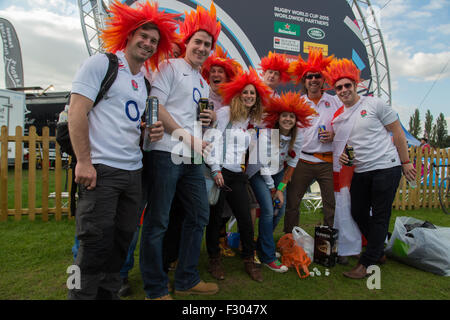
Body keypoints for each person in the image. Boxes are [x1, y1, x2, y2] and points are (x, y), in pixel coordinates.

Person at [67, 1, 177, 300]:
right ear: (128, 35)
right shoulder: (101, 64)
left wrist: (147, 131)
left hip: (133, 173)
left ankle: (108, 295)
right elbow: (77, 112)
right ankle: (78, 296)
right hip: (101, 170)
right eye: (143, 36)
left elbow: (126, 123)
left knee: (121, 242)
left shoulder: (142, 81)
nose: (148, 43)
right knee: (92, 245)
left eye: (154, 41)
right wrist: (84, 162)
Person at [139, 2, 220, 300]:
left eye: (207, 44)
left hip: (191, 158)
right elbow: (155, 106)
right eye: (197, 42)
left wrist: (207, 122)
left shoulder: (202, 81)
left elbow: (193, 117)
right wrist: (188, 136)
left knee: (200, 215)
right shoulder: (169, 67)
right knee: (158, 221)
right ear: (187, 42)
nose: (201, 47)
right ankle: (155, 288)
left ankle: (186, 278)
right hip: (165, 153)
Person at [323, 58, 416, 279]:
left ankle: (367, 262)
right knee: (358, 212)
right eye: (339, 87)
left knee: (381, 215)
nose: (344, 90)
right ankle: (378, 250)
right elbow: (345, 147)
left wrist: (406, 162)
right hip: (362, 171)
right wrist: (344, 156)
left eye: (347, 85)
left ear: (356, 85)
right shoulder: (340, 118)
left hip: (386, 167)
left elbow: (398, 133)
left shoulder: (375, 104)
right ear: (335, 91)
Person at [205, 67, 273, 282]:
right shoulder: (225, 113)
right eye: (245, 92)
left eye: (253, 93)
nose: (249, 96)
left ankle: (249, 260)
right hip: (220, 173)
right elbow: (209, 142)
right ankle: (214, 259)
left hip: (237, 175)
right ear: (238, 94)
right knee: (215, 220)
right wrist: (215, 169)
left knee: (245, 219)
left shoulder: (248, 121)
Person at [249, 91, 316, 272]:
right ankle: (267, 257)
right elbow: (263, 164)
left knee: (280, 210)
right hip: (259, 172)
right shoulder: (268, 133)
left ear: (296, 120)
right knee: (269, 211)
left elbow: (292, 163)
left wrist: (281, 187)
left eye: (291, 116)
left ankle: (263, 245)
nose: (288, 119)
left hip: (278, 172)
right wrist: (273, 190)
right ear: (277, 118)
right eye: (284, 116)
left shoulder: (298, 135)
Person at [284, 48, 339, 235]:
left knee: (331, 205)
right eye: (309, 77)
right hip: (301, 161)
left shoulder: (335, 101)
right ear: (304, 81)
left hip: (327, 162)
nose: (313, 79)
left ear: (324, 80)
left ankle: (330, 243)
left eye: (317, 76)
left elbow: (348, 128)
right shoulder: (297, 102)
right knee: (292, 204)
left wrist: (334, 136)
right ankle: (289, 241)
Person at [201, 45, 242, 258]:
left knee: (221, 205)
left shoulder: (231, 101)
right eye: (213, 71)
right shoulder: (199, 90)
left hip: (222, 158)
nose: (216, 74)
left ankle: (219, 240)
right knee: (200, 203)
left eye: (221, 71)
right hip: (196, 151)